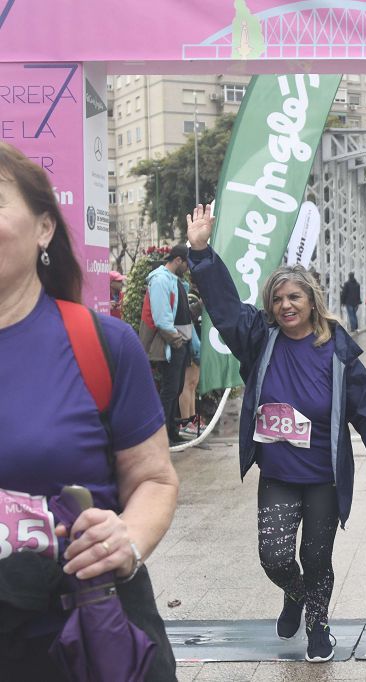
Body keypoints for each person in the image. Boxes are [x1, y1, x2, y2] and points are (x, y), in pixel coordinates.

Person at [185, 204, 366, 663]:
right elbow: (226, 308)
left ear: (312, 300)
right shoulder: (258, 338)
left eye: (295, 298)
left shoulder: (337, 350)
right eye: (278, 299)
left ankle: (319, 627)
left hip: (322, 476)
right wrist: (200, 250)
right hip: (279, 471)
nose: (286, 306)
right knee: (274, 557)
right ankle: (296, 595)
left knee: (316, 555)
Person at [0, 141, 179, 679]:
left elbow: (154, 479)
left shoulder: (101, 344)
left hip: (75, 641)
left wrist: (126, 539)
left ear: (44, 228)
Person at [141, 243, 193, 444]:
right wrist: (178, 342)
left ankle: (171, 433)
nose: (188, 269)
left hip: (177, 343)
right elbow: (162, 318)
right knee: (170, 390)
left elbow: (181, 314)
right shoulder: (161, 280)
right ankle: (162, 437)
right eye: (187, 264)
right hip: (171, 345)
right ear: (178, 260)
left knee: (175, 389)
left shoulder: (173, 280)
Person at [177, 291, 203, 438]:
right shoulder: (189, 296)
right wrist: (199, 305)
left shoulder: (191, 295)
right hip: (191, 346)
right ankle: (185, 422)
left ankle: (192, 419)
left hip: (197, 344)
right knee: (188, 384)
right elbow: (188, 316)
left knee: (193, 384)